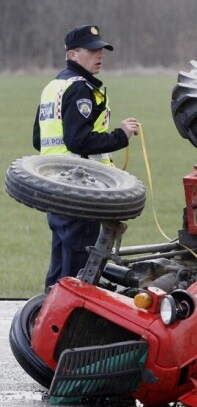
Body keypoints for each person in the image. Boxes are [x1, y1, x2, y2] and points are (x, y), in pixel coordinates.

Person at [33, 25, 140, 290]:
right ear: (72, 55)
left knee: (60, 264)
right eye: (92, 50)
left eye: (101, 50)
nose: (99, 55)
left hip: (55, 186)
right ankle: (69, 326)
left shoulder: (53, 86)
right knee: (79, 269)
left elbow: (39, 140)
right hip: (80, 187)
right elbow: (78, 140)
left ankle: (44, 317)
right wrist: (121, 135)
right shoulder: (80, 89)